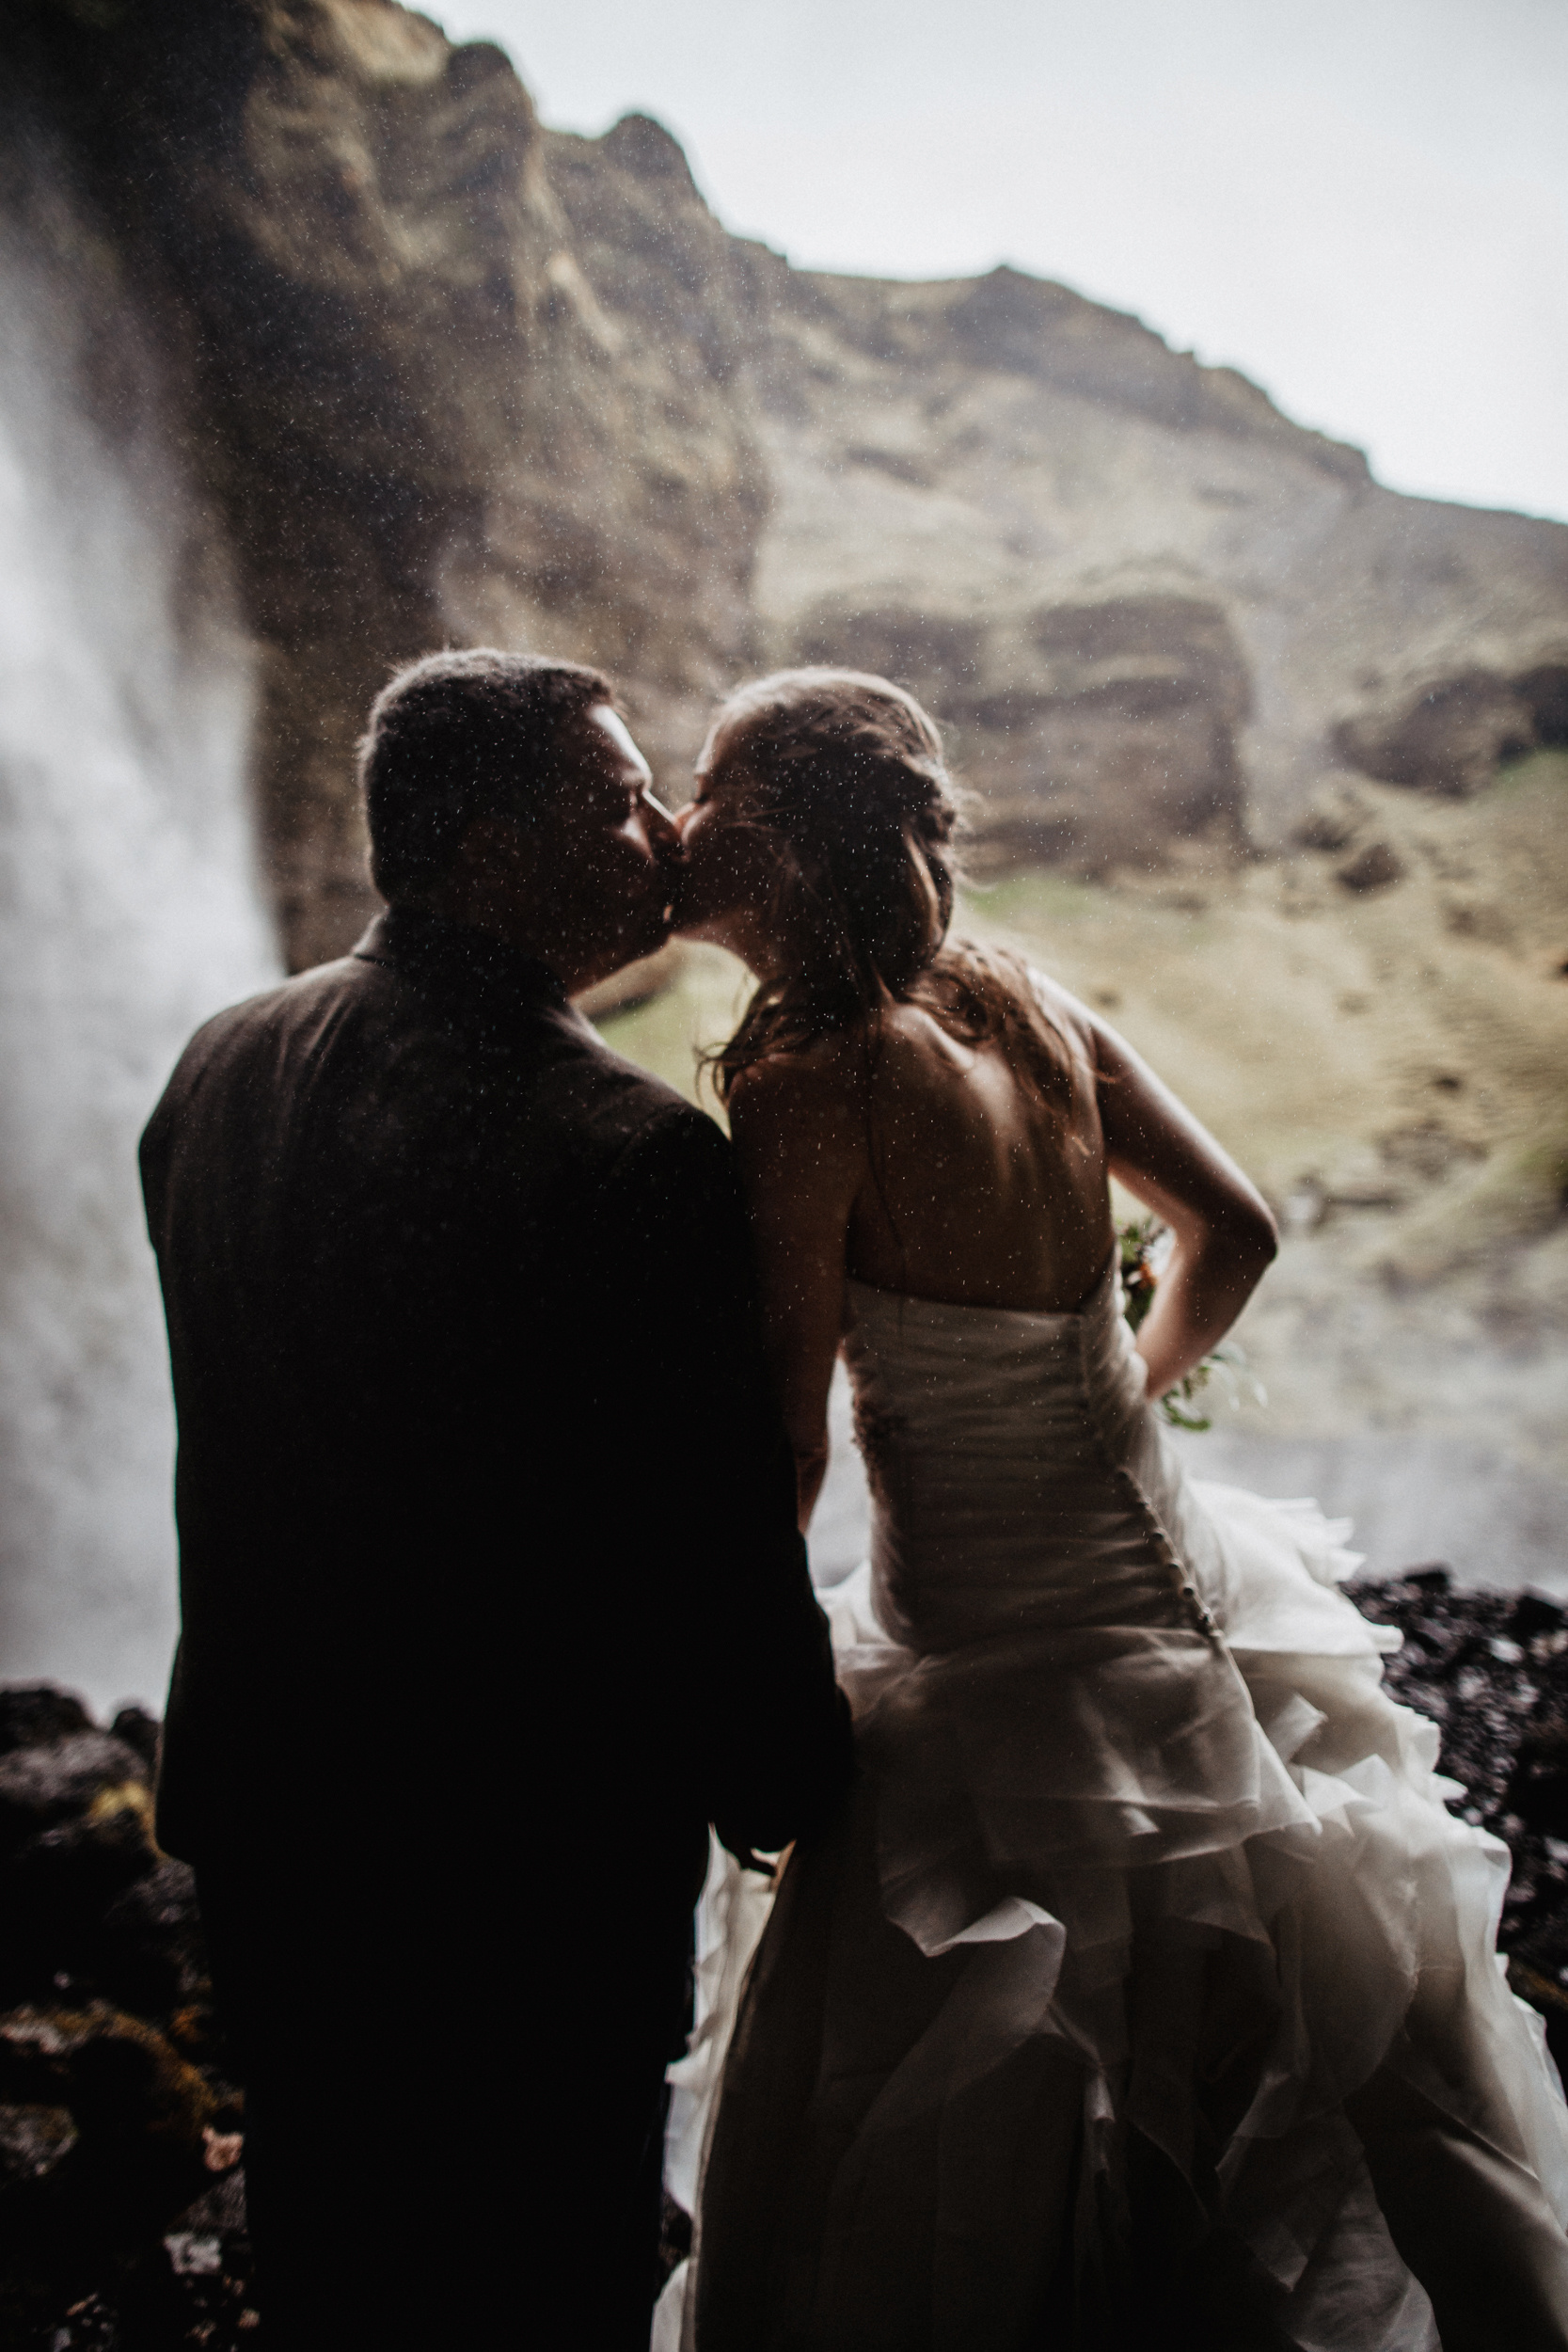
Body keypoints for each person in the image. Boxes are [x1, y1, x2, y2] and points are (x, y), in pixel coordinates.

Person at [666, 665, 1568, 2351]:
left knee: (985, 2137)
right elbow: (1235, 1232)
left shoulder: (809, 1075)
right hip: (1183, 1598)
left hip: (993, 1670)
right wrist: (1106, 1407)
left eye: (706, 784)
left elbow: (788, 1442)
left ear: (780, 836)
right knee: (1280, 2079)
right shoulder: (1022, 996)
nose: (675, 813)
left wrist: (722, 1686)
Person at [138, 650, 849, 2351]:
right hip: (518, 1876)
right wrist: (790, 1767)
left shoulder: (215, 1067)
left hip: (271, 1815)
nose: (665, 829)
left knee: (333, 2254)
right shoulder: (622, 1148)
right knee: (543, 2269)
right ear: (496, 838)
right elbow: (702, 1532)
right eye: (618, 798)